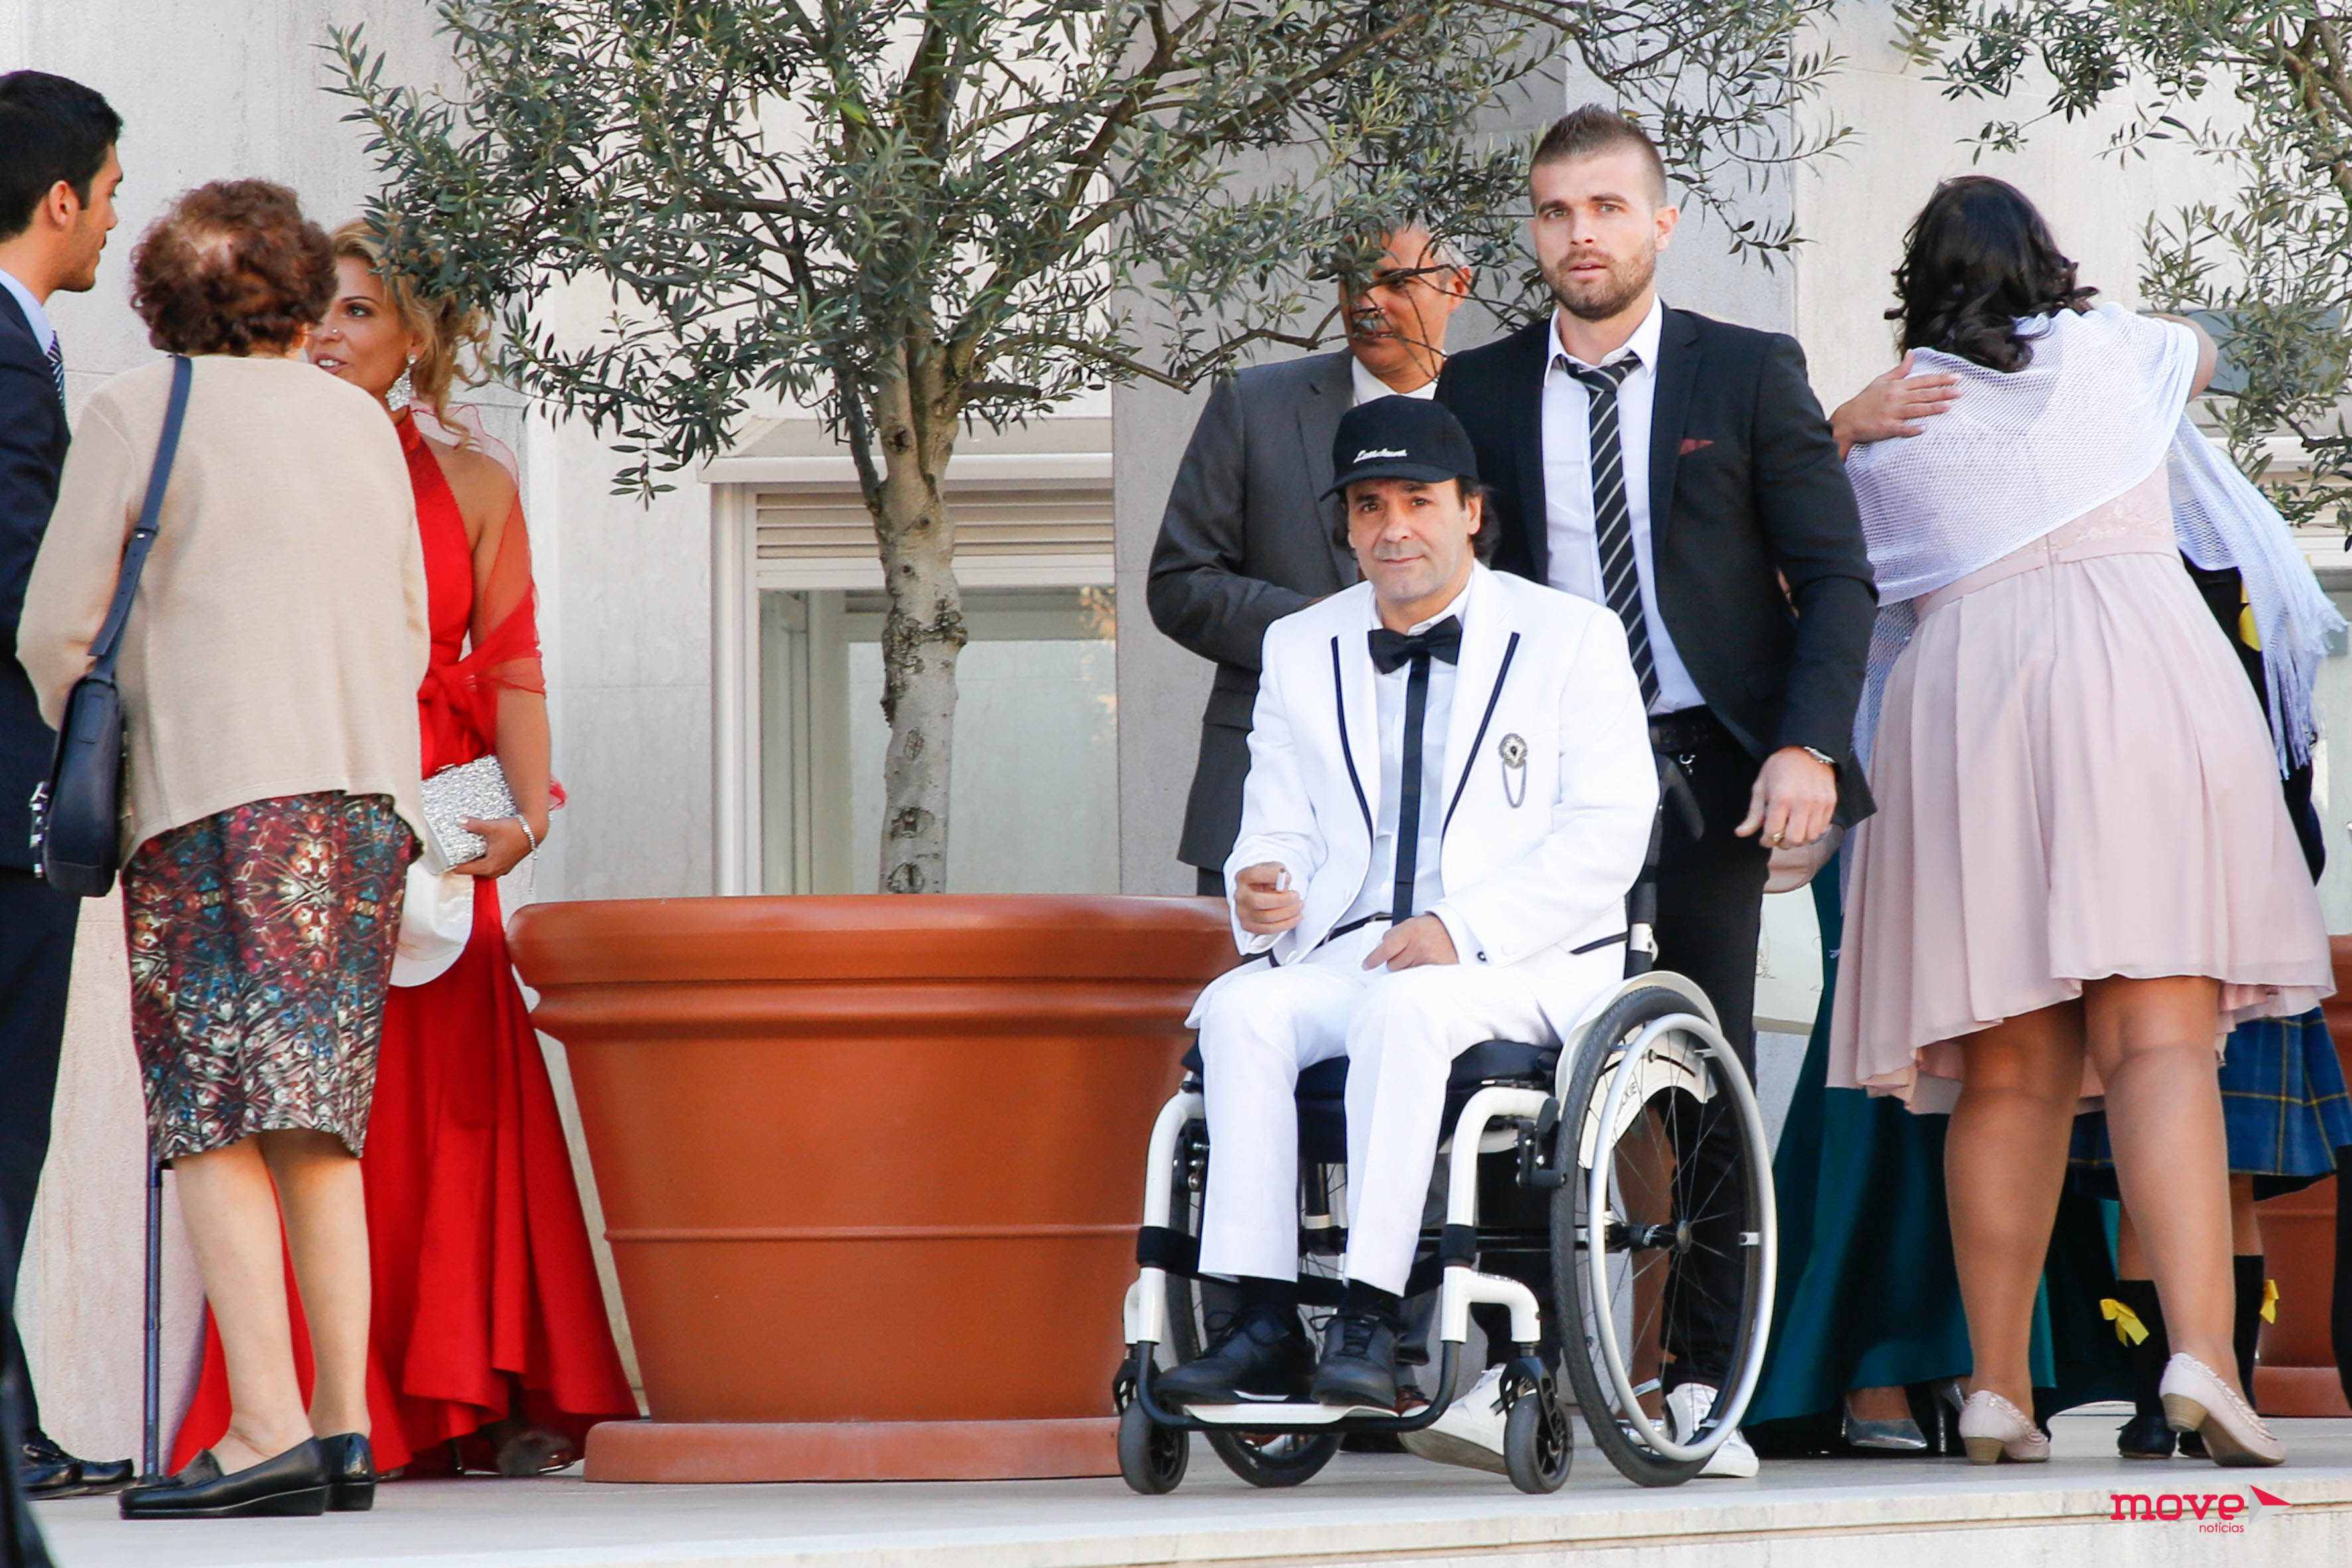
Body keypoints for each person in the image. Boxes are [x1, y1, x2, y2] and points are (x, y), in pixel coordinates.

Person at [1828, 175, 2335, 1468]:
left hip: (1965, 704)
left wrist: (1841, 421)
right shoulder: (2116, 349)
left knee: (2007, 1071)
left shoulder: (1892, 427)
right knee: (2160, 1041)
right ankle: (2201, 1354)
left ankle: (1996, 1386)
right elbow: (2216, 350)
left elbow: (1817, 556)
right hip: (2138, 676)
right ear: (2045, 267)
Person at [1436, 104, 1876, 1476]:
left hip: (1704, 769)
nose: (1581, 234)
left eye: (1606, 207)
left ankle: (1697, 1382)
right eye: (1556, 211)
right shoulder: (1478, 391)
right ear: (1533, 230)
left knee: (1699, 1066)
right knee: (1517, 1064)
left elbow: (1836, 579)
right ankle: (1514, 1367)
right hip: (1538, 784)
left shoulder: (1744, 371)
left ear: (1660, 223)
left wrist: (1807, 748)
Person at [170, 223, 637, 1478]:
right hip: (299, 795)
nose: (327, 333)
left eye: (359, 311)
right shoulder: (252, 460)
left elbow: (514, 660)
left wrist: (527, 818)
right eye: (314, 310)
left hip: (439, 818)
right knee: (310, 1103)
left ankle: (478, 1389)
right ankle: (328, 1403)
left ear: (416, 337)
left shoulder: (475, 481)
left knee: (458, 1093)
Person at [17, 179, 430, 1518]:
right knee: (318, 1118)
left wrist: (111, 721)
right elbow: (410, 625)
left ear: (163, 296)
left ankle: (260, 1427)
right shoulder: (358, 421)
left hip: (215, 796)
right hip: (359, 800)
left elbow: (52, 628)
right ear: (298, 294)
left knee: (209, 1117)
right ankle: (342, 1425)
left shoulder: (141, 408)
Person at [1155, 395, 1655, 1417]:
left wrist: (1459, 929)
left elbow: (1608, 831)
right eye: (1368, 505)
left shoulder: (1571, 636)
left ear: (1469, 510)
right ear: (1345, 525)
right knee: (1242, 1009)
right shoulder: (1302, 643)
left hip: (1518, 961)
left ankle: (1370, 1315)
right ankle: (1260, 1318)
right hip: (1351, 952)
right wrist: (1263, 879)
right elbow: (1275, 818)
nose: (1392, 527)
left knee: (1406, 1005)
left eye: (1417, 501)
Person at [1150, 225, 1472, 894]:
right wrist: (1313, 624)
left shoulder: (1498, 409)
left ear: (1456, 286)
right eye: (1351, 279)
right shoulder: (1254, 404)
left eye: (1395, 281)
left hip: (1461, 799)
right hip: (1268, 806)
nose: (1367, 301)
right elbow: (1180, 583)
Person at [0, 69, 134, 1502]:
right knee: (5, 1130)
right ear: (58, 199)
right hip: (4, 805)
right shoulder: (3, 356)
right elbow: (19, 579)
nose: (111, 221)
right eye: (106, 195)